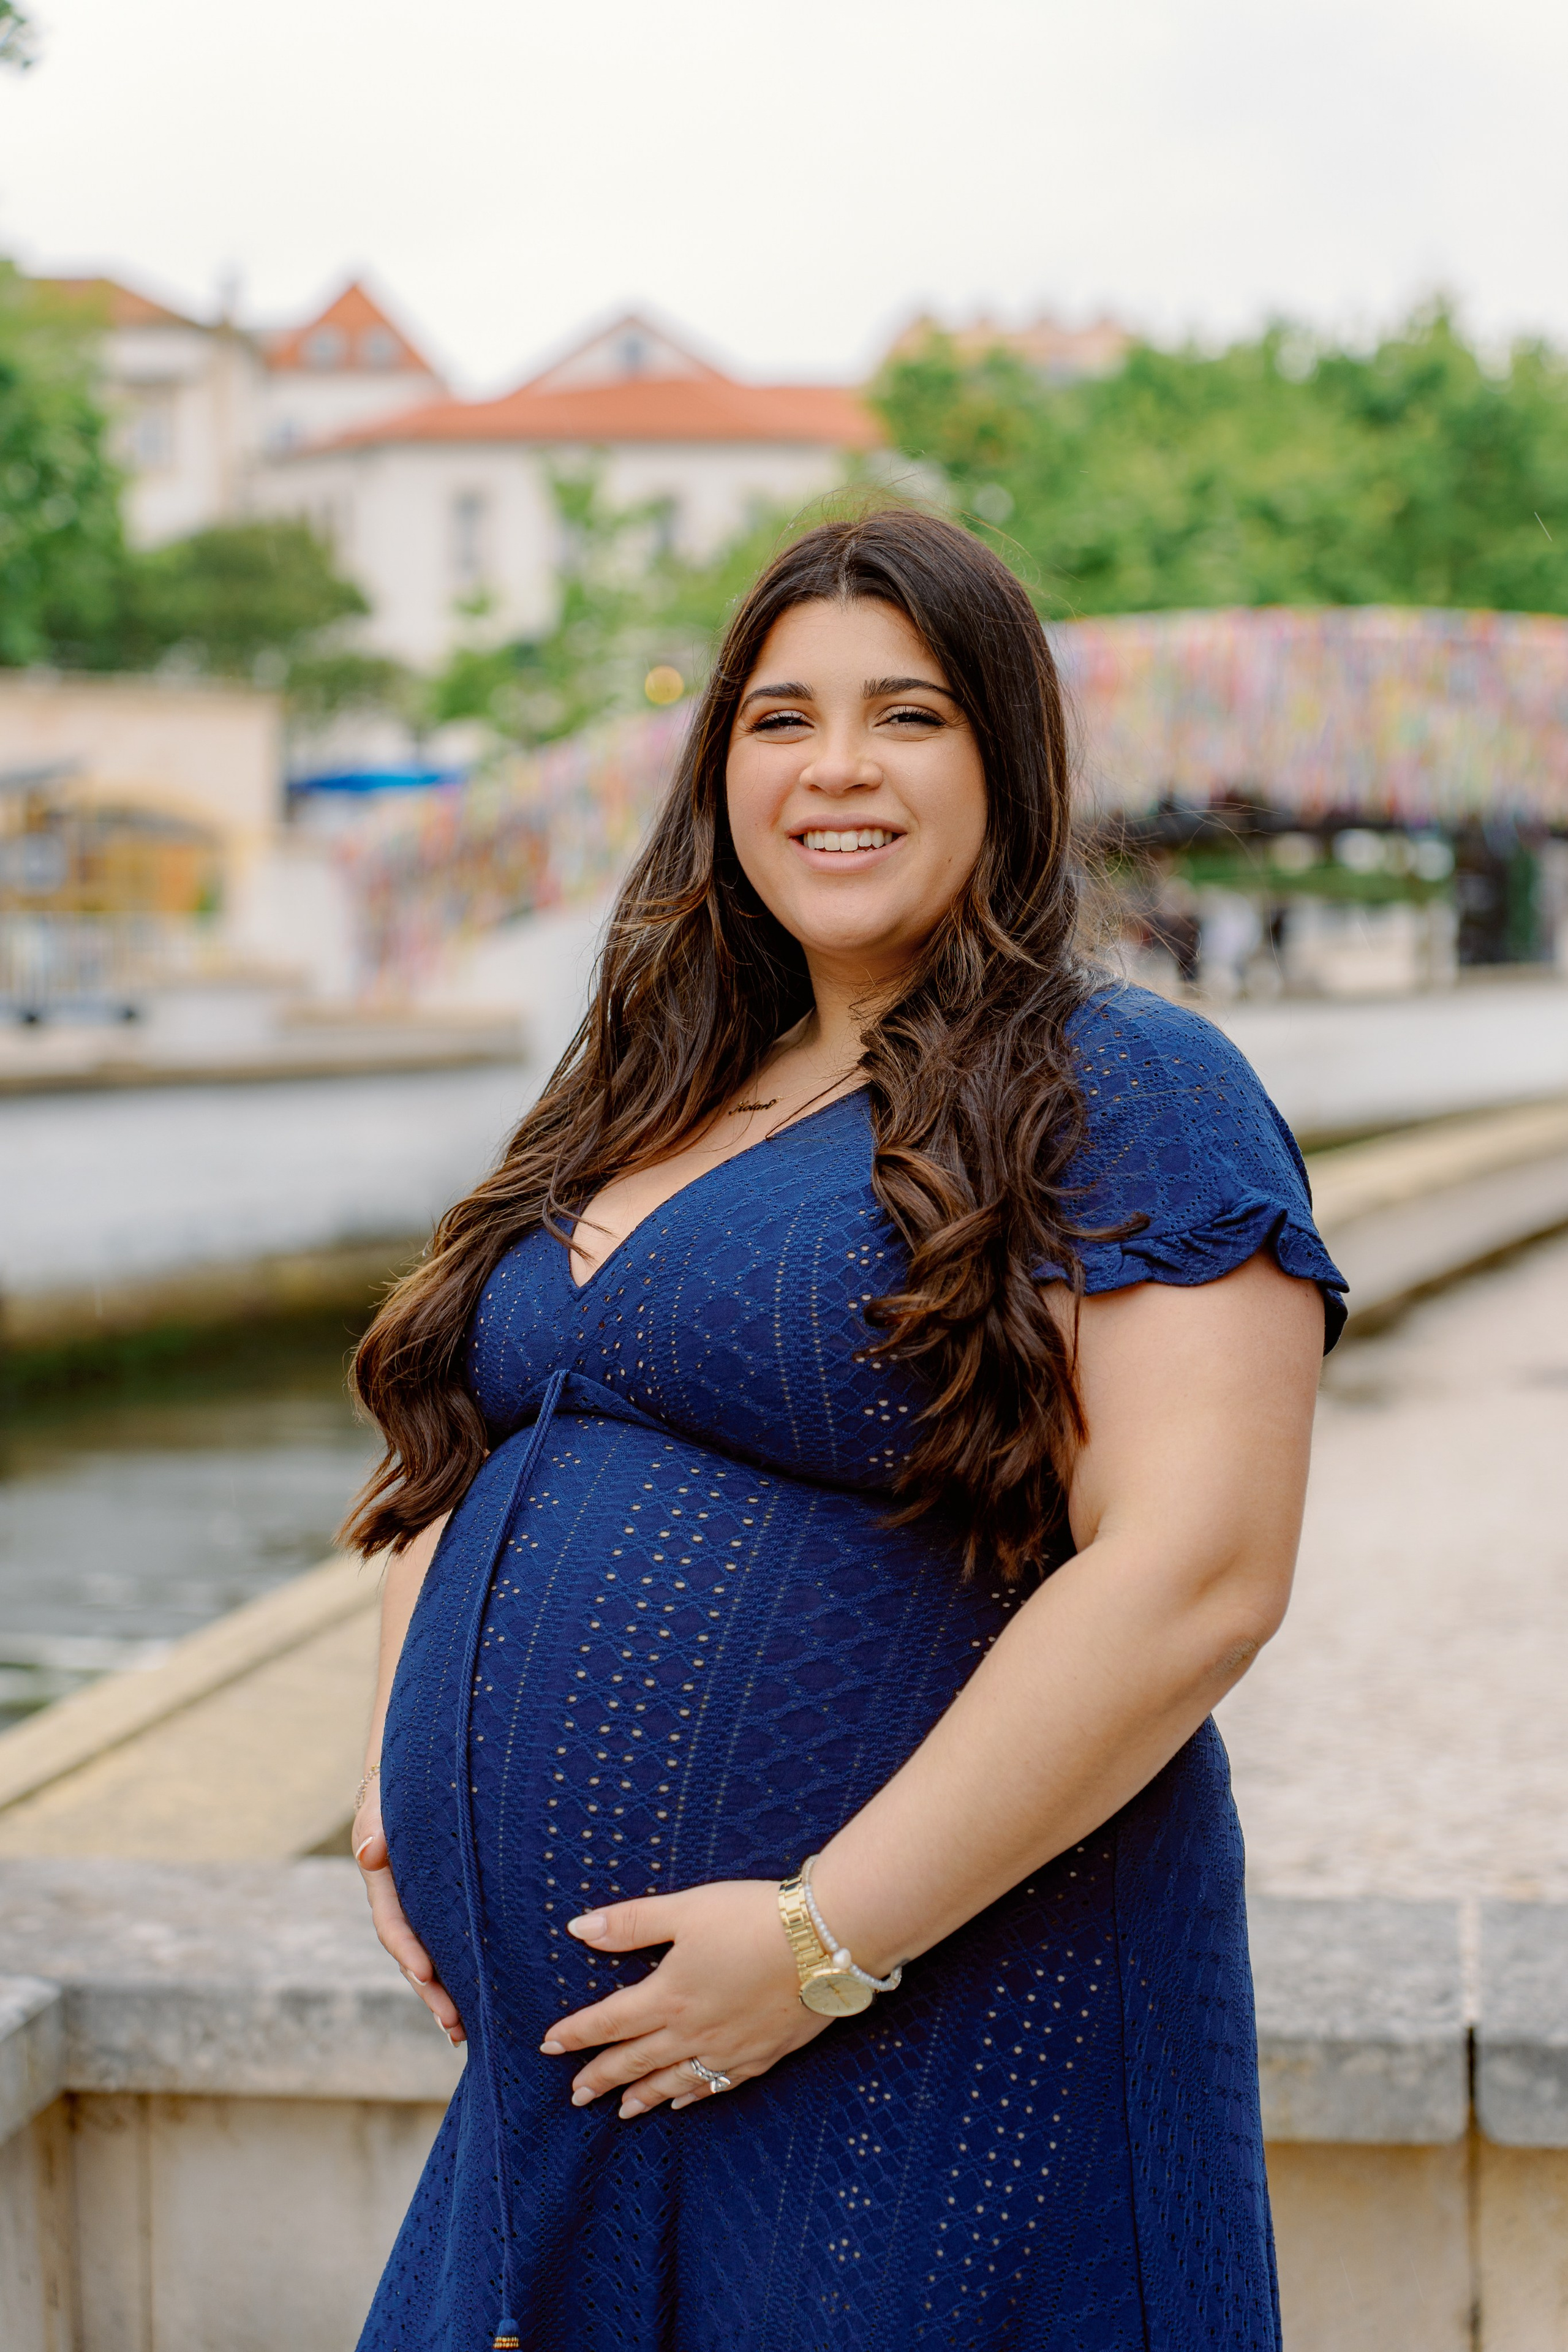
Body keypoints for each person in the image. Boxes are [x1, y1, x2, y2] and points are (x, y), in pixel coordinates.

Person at [345, 507, 1344, 2352]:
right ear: (719, 765)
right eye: (781, 720)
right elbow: (481, 1433)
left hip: (928, 2015)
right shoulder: (651, 1087)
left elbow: (1199, 1574)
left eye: (911, 715)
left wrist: (821, 1943)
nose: (838, 770)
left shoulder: (1127, 1085)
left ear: (1010, 762)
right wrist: (405, 1785)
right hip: (584, 2070)